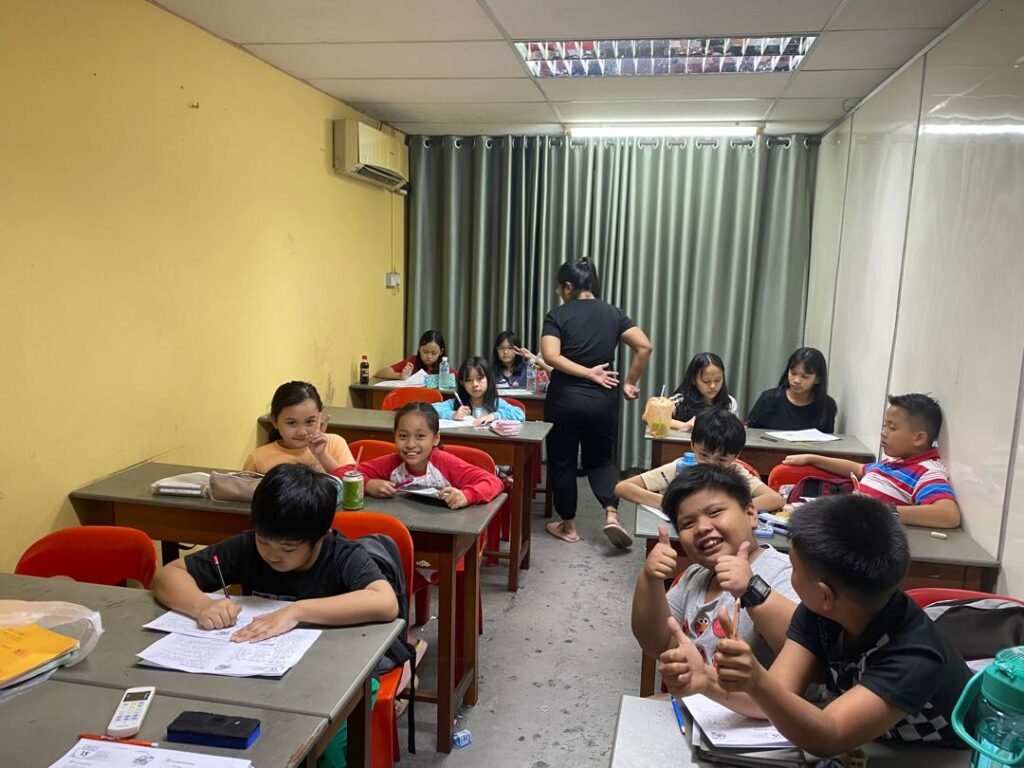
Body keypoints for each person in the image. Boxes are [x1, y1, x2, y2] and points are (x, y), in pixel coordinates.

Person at [151, 464, 399, 768]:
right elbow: (168, 576)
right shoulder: (247, 547)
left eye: (288, 548)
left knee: (325, 747)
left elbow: (385, 601)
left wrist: (297, 610)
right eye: (264, 541)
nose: (272, 554)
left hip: (340, 680)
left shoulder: (341, 555)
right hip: (261, 675)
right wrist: (202, 606)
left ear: (321, 536)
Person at [713, 494, 972, 753]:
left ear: (825, 594)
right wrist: (704, 678)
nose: (791, 574)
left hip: (948, 757)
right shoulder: (821, 613)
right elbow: (777, 695)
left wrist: (758, 681)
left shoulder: (915, 655)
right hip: (878, 746)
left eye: (793, 567)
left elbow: (829, 736)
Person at [632, 464, 798, 714]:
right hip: (699, 712)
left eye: (715, 512)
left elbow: (803, 645)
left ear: (751, 513)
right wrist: (649, 579)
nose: (702, 527)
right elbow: (656, 643)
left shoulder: (781, 572)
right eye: (687, 524)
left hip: (760, 722)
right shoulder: (695, 577)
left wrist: (752, 589)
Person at [540, 257, 652, 547]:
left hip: (564, 399)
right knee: (601, 459)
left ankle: (568, 526)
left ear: (567, 286)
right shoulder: (613, 314)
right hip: (603, 399)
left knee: (562, 461)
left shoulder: (558, 315)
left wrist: (586, 372)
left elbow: (551, 357)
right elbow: (644, 345)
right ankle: (612, 514)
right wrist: (629, 382)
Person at [783, 393, 960, 528]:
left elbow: (949, 515)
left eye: (892, 427)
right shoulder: (896, 462)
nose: (884, 432)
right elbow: (859, 469)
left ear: (919, 438)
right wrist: (813, 458)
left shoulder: (926, 472)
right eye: (885, 425)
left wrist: (882, 509)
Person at [333, 402, 504, 510]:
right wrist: (369, 484)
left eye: (420, 436)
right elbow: (342, 472)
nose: (410, 445)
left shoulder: (444, 463)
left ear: (435, 438)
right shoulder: (392, 462)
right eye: (403, 436)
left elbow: (493, 482)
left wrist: (466, 495)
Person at [616, 409, 784, 512]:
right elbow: (623, 487)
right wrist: (666, 502)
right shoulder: (681, 468)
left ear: (736, 456)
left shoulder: (736, 472)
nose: (710, 463)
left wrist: (730, 509)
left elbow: (775, 499)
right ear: (692, 446)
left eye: (721, 459)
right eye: (703, 455)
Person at [244, 381, 354, 474]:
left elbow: (354, 488)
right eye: (291, 423)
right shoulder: (258, 459)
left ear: (319, 417)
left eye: (310, 421)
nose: (302, 432)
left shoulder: (334, 444)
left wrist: (322, 455)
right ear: (274, 421)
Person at [746, 347, 838, 432]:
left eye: (805, 376)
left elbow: (827, 442)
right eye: (793, 373)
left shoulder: (827, 405)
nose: (796, 380)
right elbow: (749, 432)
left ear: (818, 379)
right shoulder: (769, 399)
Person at [650, 352, 738, 432]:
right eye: (706, 381)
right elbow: (653, 418)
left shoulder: (730, 403)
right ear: (694, 380)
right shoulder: (680, 401)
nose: (713, 386)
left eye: (718, 380)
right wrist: (684, 425)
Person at [434, 356, 525, 425]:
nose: (475, 384)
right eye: (469, 380)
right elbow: (430, 409)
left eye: (480, 378)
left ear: (488, 379)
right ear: (462, 383)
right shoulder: (456, 403)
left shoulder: (495, 403)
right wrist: (452, 415)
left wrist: (493, 416)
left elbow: (520, 414)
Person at [375, 330, 446, 380]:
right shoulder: (412, 362)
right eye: (425, 352)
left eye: (433, 353)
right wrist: (400, 376)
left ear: (441, 352)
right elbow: (380, 373)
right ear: (419, 348)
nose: (429, 356)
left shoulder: (445, 368)